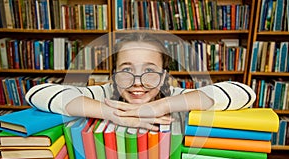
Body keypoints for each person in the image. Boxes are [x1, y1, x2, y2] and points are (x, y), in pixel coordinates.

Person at [25, 32, 256, 131]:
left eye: (150, 71)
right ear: (113, 75)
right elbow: (38, 93)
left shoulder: (175, 97)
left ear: (164, 76)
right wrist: (108, 112)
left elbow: (244, 92)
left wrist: (161, 106)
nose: (138, 82)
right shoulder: (104, 94)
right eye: (126, 71)